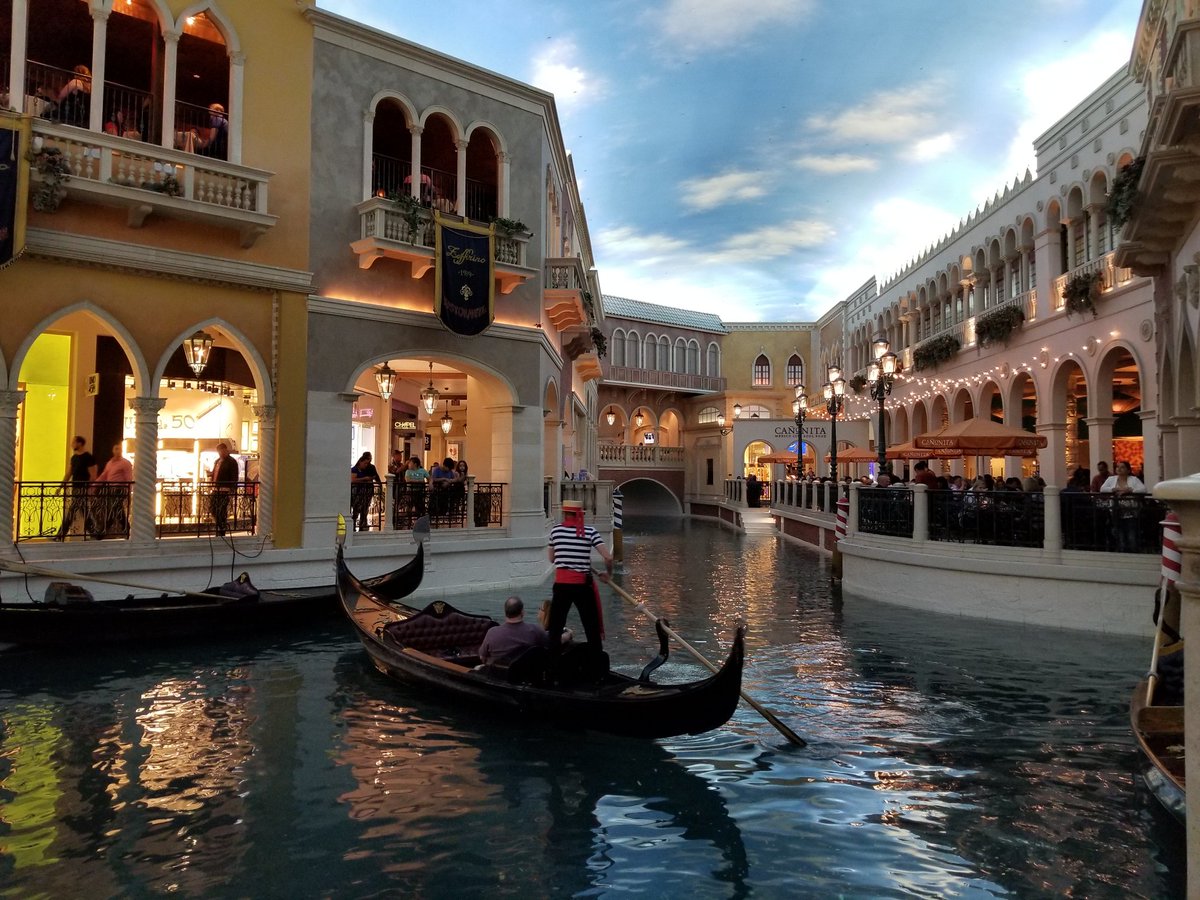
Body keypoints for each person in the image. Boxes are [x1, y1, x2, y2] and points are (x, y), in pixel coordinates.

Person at [546, 500, 613, 664]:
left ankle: (551, 668)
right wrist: (608, 574)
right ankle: (597, 667)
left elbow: (552, 559)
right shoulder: (590, 531)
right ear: (580, 515)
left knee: (555, 628)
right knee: (591, 627)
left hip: (561, 586)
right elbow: (608, 557)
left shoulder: (555, 531)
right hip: (582, 586)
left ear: (565, 514)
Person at [477, 596, 547, 667]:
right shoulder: (535, 630)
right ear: (522, 612)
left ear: (505, 611)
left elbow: (482, 657)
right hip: (526, 674)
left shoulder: (492, 633)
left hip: (496, 675)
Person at [1100, 460, 1148, 552]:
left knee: (1131, 535)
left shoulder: (1134, 480)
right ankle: (1122, 553)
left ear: (1128, 470)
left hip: (1131, 512)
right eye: (1118, 467)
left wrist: (1130, 490)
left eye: (1122, 467)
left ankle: (1133, 554)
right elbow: (1102, 489)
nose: (1119, 469)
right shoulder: (1111, 479)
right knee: (1119, 535)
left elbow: (1143, 489)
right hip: (1116, 512)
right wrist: (1114, 489)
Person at [56, 435, 97, 540]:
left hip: (82, 488)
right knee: (83, 512)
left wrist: (89, 488)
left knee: (72, 511)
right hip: (76, 488)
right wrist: (61, 486)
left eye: (73, 442)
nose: (71, 444)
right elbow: (69, 473)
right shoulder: (74, 458)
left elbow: (93, 475)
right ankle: (94, 533)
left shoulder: (88, 457)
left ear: (79, 443)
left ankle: (60, 535)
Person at [91, 443, 133, 538]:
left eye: (119, 449)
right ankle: (126, 529)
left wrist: (128, 490)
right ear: (113, 450)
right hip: (111, 490)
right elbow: (104, 476)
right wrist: (94, 485)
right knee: (117, 511)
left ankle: (102, 533)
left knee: (114, 510)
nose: (117, 451)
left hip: (120, 489)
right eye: (116, 449)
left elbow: (128, 477)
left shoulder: (125, 463)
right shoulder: (110, 463)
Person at [210, 441, 240, 537]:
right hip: (216, 489)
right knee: (213, 508)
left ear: (225, 450)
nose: (220, 453)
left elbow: (234, 476)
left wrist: (232, 488)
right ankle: (219, 526)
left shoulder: (231, 462)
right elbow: (215, 473)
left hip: (224, 489)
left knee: (221, 510)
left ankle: (221, 529)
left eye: (221, 451)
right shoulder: (217, 461)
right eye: (218, 451)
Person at [350, 451, 381, 532]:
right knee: (356, 508)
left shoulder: (369, 468)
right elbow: (353, 480)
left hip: (365, 491)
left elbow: (375, 476)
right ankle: (353, 524)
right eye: (365, 463)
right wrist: (365, 479)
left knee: (365, 508)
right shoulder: (355, 469)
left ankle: (362, 524)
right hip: (357, 492)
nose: (366, 465)